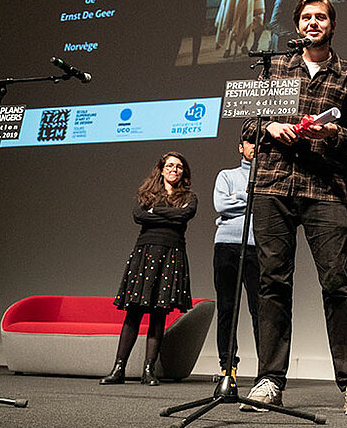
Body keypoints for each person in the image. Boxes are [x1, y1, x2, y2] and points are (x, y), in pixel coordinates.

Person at [241, 0, 347, 415]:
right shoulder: (275, 67)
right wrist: (272, 125)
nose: (313, 23)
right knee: (273, 283)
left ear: (332, 25)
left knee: (337, 284)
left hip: (325, 190)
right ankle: (269, 380)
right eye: (306, 18)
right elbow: (248, 123)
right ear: (297, 25)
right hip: (272, 186)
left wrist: (332, 135)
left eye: (320, 17)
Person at [101, 152, 197, 386]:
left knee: (158, 316)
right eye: (170, 165)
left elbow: (185, 215)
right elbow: (138, 215)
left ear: (183, 173)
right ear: (161, 169)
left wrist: (155, 213)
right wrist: (168, 216)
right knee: (133, 313)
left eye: (179, 167)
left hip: (171, 254)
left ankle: (148, 371)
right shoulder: (147, 193)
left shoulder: (189, 197)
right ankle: (118, 369)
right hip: (145, 254)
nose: (174, 169)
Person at [212, 140, 261, 383]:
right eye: (249, 141)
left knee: (260, 310)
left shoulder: (269, 179)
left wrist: (238, 197)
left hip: (257, 247)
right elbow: (221, 205)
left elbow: (265, 209)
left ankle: (267, 372)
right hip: (226, 246)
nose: (255, 145)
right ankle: (227, 367)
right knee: (227, 308)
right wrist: (250, 196)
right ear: (240, 147)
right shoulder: (226, 175)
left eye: (259, 141)